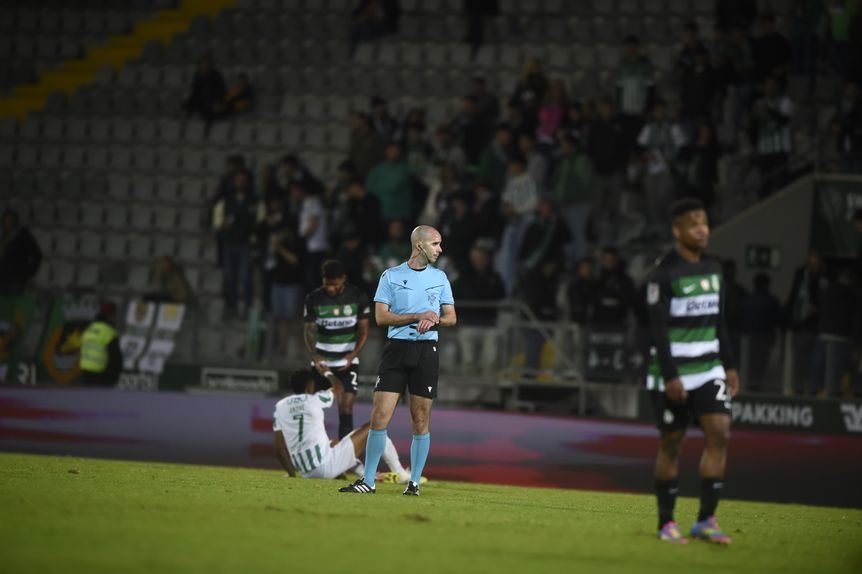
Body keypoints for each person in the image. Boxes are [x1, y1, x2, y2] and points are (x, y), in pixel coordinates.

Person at [645, 198, 740, 545]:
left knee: (721, 434)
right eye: (693, 224)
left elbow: (719, 322)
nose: (702, 230)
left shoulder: (714, 269)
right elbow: (656, 331)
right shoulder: (662, 273)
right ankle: (666, 523)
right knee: (672, 443)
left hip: (708, 367)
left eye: (704, 223)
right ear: (677, 230)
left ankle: (706, 520)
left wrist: (728, 365)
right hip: (672, 371)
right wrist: (671, 375)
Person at [339, 225, 456, 496]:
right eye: (436, 244)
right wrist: (417, 316)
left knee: (420, 419)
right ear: (420, 246)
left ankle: (413, 482)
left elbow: (451, 316)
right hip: (397, 351)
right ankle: (368, 481)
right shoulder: (391, 276)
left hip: (427, 352)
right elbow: (381, 317)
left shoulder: (440, 278)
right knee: (379, 416)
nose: (440, 249)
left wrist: (435, 318)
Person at [273, 368, 412, 483]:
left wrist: (291, 474)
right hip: (325, 468)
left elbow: (279, 447)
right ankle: (400, 473)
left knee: (334, 443)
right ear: (310, 386)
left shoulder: (280, 406)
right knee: (374, 428)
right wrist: (327, 372)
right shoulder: (313, 400)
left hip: (305, 473)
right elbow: (339, 388)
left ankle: (368, 474)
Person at [304, 260, 371, 439]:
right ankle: (315, 451)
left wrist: (353, 355)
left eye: (334, 284)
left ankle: (345, 455)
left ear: (343, 279)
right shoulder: (314, 298)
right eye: (327, 284)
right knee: (314, 408)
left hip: (347, 362)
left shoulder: (357, 297)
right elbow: (309, 331)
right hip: (322, 363)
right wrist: (314, 355)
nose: (330, 289)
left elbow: (364, 331)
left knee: (346, 406)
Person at [79, 302, 123, 387]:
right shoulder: (109, 332)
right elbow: (115, 357)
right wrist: (116, 375)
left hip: (85, 373)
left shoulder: (89, 329)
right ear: (110, 315)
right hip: (102, 375)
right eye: (114, 315)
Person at [0, 209, 42, 295]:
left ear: (15, 222)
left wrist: (29, 272)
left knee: (14, 304)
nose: (8, 223)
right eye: (6, 221)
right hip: (2, 277)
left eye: (10, 220)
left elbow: (37, 254)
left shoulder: (23, 235)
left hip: (16, 279)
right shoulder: (1, 236)